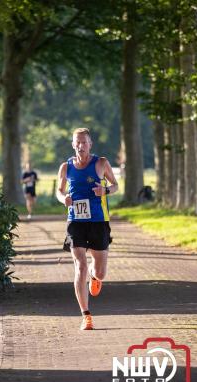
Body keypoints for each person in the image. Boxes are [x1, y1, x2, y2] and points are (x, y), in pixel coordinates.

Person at [56, 127, 118, 330]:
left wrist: (105, 190)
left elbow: (116, 185)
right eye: (77, 142)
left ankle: (95, 277)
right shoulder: (66, 167)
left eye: (84, 142)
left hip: (99, 221)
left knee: (100, 272)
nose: (81, 145)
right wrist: (63, 198)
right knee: (79, 265)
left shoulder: (101, 163)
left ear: (90, 144)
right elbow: (59, 190)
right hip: (75, 222)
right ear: (73, 144)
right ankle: (86, 315)